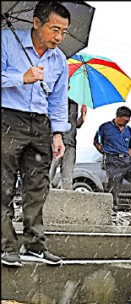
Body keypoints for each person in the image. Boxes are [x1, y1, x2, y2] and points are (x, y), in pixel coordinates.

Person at [1, 0, 71, 267]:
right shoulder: (7, 40)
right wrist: (22, 77)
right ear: (36, 23)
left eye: (64, 32)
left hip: (40, 124)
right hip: (8, 116)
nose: (59, 37)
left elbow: (58, 99)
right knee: (4, 184)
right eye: (54, 29)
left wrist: (57, 133)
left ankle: (34, 244)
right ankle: (6, 245)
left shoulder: (60, 59)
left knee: (37, 186)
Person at [93, 105, 131, 209]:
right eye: (125, 120)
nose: (126, 123)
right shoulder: (105, 127)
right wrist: (105, 153)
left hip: (127, 159)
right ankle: (113, 209)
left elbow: (130, 146)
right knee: (115, 185)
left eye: (128, 121)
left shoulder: (128, 129)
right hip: (113, 160)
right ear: (118, 116)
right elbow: (96, 142)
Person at [48, 93, 86, 190]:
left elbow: (75, 124)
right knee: (49, 172)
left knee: (67, 176)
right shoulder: (55, 99)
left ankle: (66, 200)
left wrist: (82, 116)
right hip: (56, 141)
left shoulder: (74, 103)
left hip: (71, 142)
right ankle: (43, 196)